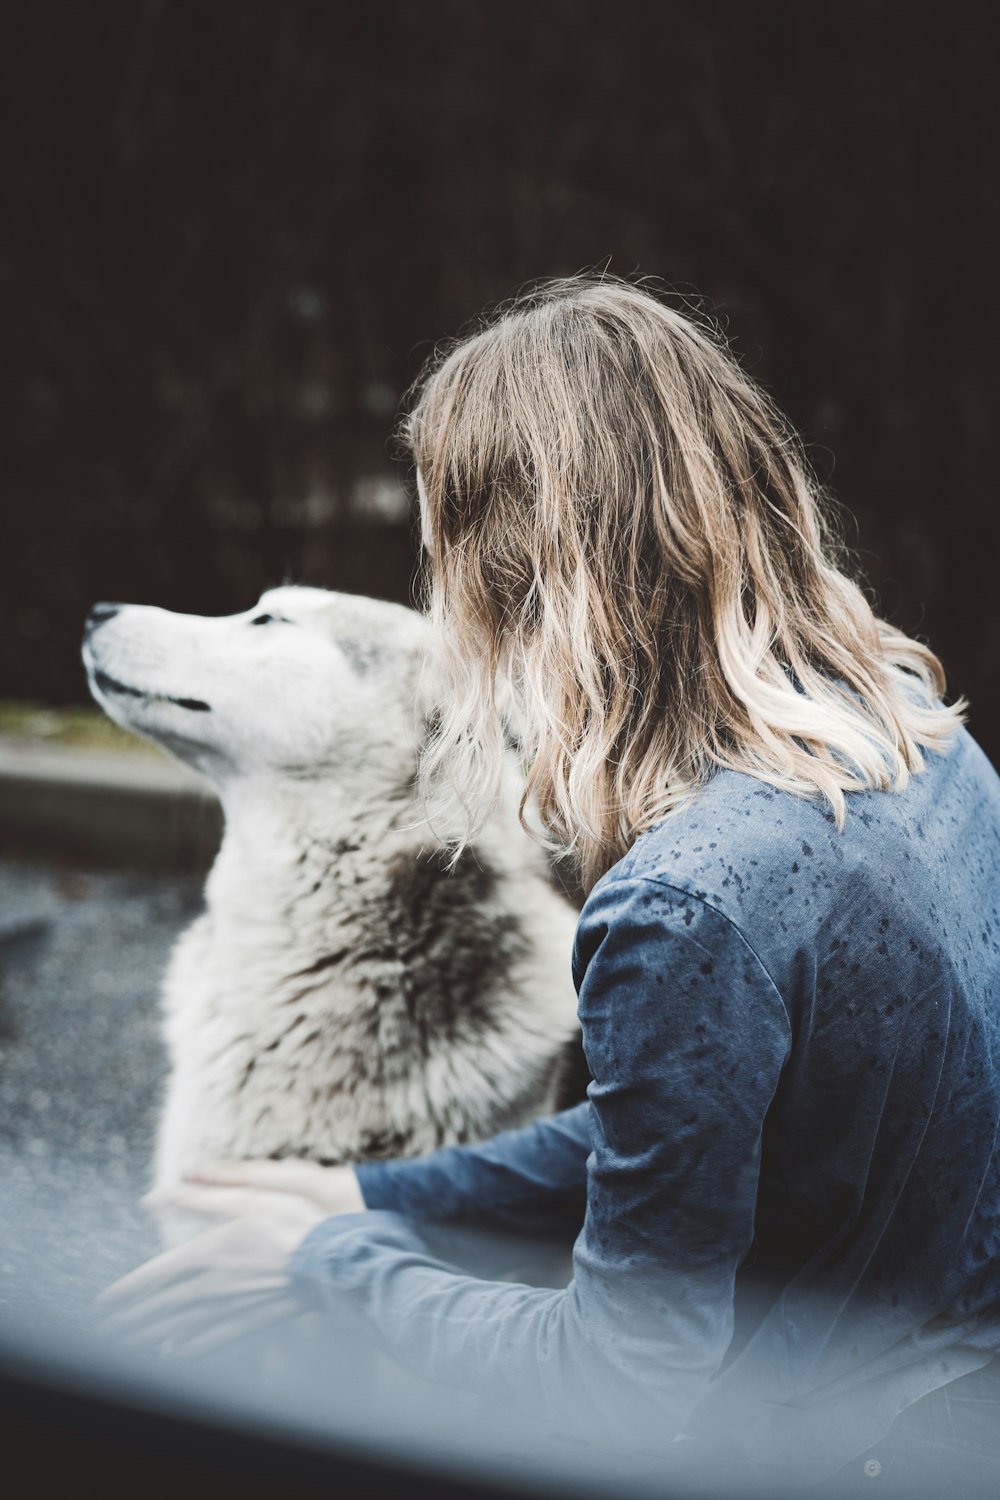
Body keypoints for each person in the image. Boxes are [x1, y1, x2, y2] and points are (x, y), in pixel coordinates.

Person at [103, 277, 1000, 1495]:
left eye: (443, 561)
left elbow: (622, 1375)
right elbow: (696, 1123)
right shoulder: (912, 727)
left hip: (856, 1452)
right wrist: (377, 1190)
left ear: (516, 576)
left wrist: (335, 1260)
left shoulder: (680, 908)